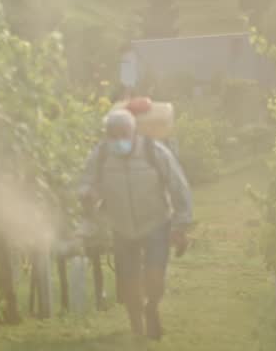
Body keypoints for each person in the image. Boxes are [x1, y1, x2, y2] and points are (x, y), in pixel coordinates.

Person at [78, 109, 193, 340]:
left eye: (124, 133)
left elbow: (178, 186)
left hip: (156, 223)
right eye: (113, 134)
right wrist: (88, 194)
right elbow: (88, 182)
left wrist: (181, 224)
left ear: (134, 132)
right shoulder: (100, 155)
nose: (118, 139)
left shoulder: (154, 152)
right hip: (121, 227)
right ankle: (137, 327)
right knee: (128, 280)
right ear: (107, 134)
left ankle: (151, 308)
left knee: (154, 277)